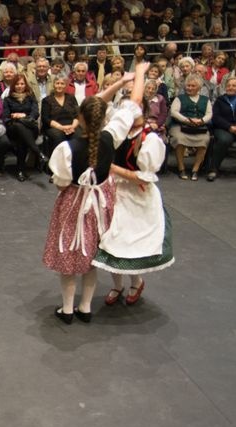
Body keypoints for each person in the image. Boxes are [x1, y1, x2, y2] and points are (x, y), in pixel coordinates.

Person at [42, 63, 148, 324]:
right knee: (91, 256)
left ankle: (68, 309)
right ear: (103, 119)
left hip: (74, 203)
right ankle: (86, 307)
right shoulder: (111, 136)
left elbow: (61, 184)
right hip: (100, 203)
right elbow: (133, 104)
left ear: (80, 117)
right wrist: (137, 76)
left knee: (70, 254)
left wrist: (120, 82)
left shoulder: (66, 149)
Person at [92, 98, 174, 307]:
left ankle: (136, 282)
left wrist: (112, 168)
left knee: (130, 242)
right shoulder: (118, 132)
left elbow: (144, 178)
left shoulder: (149, 139)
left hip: (137, 196)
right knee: (110, 240)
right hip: (114, 191)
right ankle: (117, 284)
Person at [3, 73, 46, 182]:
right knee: (18, 127)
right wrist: (16, 118)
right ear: (13, 85)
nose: (20, 86)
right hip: (13, 128)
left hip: (31, 128)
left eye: (22, 84)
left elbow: (35, 114)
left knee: (22, 137)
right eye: (17, 84)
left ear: (25, 85)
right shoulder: (8, 100)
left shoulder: (31, 98)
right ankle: (38, 153)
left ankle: (21, 170)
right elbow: (6, 117)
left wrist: (22, 116)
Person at [169, 75, 212, 181]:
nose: (190, 88)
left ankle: (195, 169)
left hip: (199, 126)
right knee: (179, 139)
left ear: (199, 88)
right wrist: (187, 120)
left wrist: (201, 121)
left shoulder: (205, 100)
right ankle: (181, 168)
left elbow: (209, 114)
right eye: (188, 85)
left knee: (204, 139)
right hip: (180, 125)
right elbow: (174, 112)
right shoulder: (179, 98)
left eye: (193, 86)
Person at [41, 74, 79, 156]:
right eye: (57, 83)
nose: (59, 86)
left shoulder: (71, 98)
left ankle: (76, 161)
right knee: (59, 136)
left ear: (66, 85)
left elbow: (77, 115)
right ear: (54, 85)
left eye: (62, 83)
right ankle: (57, 161)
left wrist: (72, 127)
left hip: (71, 126)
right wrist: (61, 127)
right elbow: (46, 119)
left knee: (78, 135)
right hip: (54, 127)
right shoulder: (46, 100)